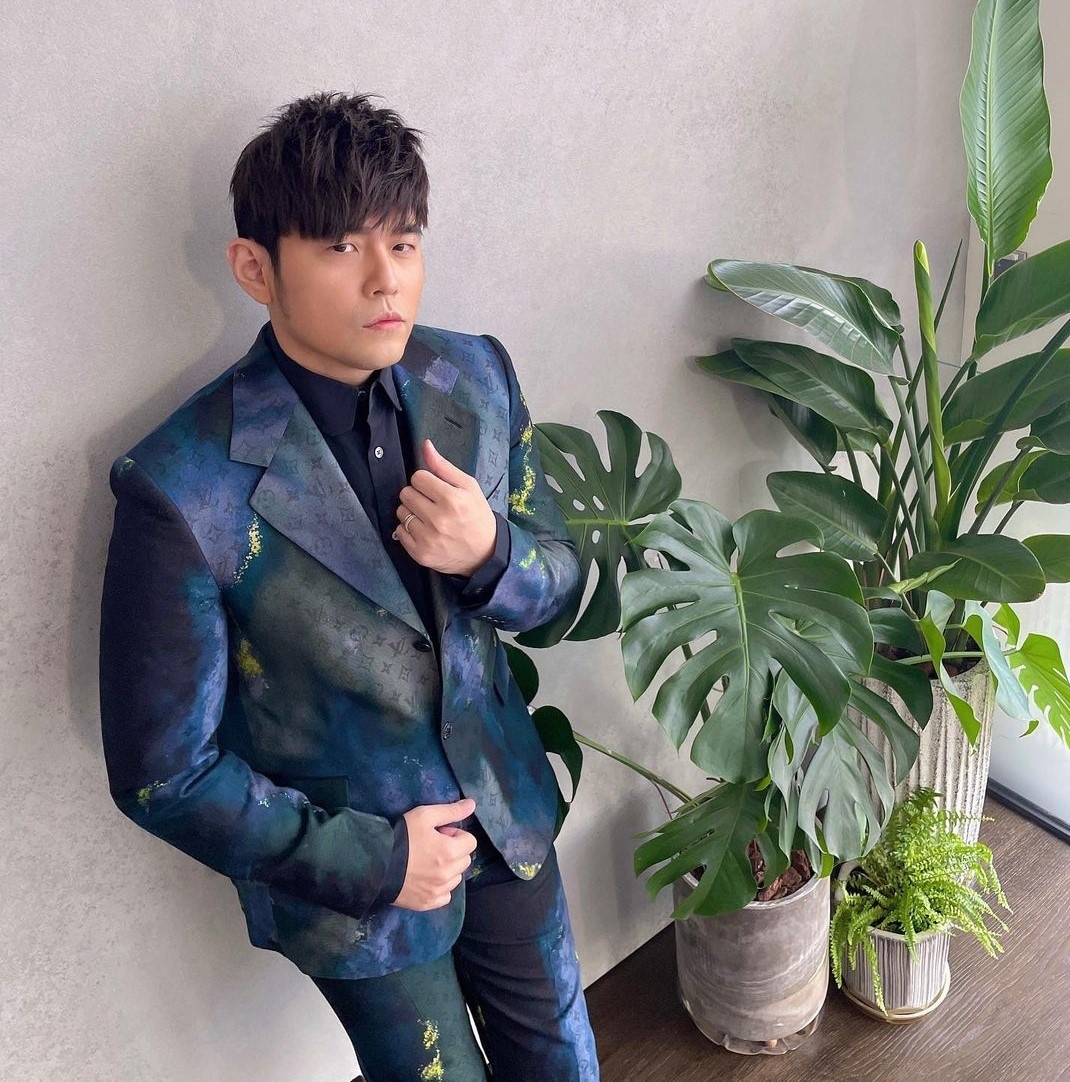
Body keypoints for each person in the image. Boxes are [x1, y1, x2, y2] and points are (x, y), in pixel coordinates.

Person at [99, 91, 599, 1082]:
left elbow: (564, 585)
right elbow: (162, 772)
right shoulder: (181, 483)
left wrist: (493, 553)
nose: (386, 279)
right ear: (256, 267)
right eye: (340, 247)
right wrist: (378, 859)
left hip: (507, 811)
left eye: (403, 243)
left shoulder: (474, 377)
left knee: (562, 1059)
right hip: (361, 886)